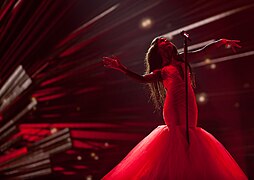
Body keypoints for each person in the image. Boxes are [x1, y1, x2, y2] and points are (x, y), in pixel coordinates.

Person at [102, 37, 247, 179]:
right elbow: (142, 79)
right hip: (173, 105)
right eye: (162, 41)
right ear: (157, 49)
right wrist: (122, 68)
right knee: (176, 136)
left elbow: (202, 51)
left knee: (190, 132)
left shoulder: (182, 58)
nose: (166, 41)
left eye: (166, 40)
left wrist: (221, 42)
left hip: (189, 103)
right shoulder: (161, 70)